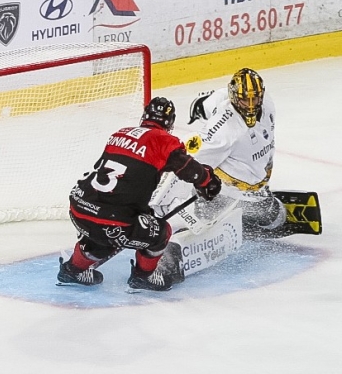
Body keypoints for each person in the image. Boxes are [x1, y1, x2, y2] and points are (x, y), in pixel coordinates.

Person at [58, 97, 222, 291]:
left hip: (79, 208)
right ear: (169, 122)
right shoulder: (164, 140)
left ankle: (72, 270)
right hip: (111, 220)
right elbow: (187, 168)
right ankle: (143, 277)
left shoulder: (119, 134)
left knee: (104, 235)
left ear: (145, 116)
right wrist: (207, 181)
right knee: (161, 232)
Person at [156, 68, 288, 239]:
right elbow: (188, 163)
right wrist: (161, 202)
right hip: (223, 192)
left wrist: (201, 104)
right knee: (269, 221)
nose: (250, 106)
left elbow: (212, 101)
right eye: (244, 100)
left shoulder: (267, 103)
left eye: (254, 99)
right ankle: (205, 217)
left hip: (257, 191)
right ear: (234, 98)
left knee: (276, 219)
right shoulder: (224, 132)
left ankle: (236, 218)